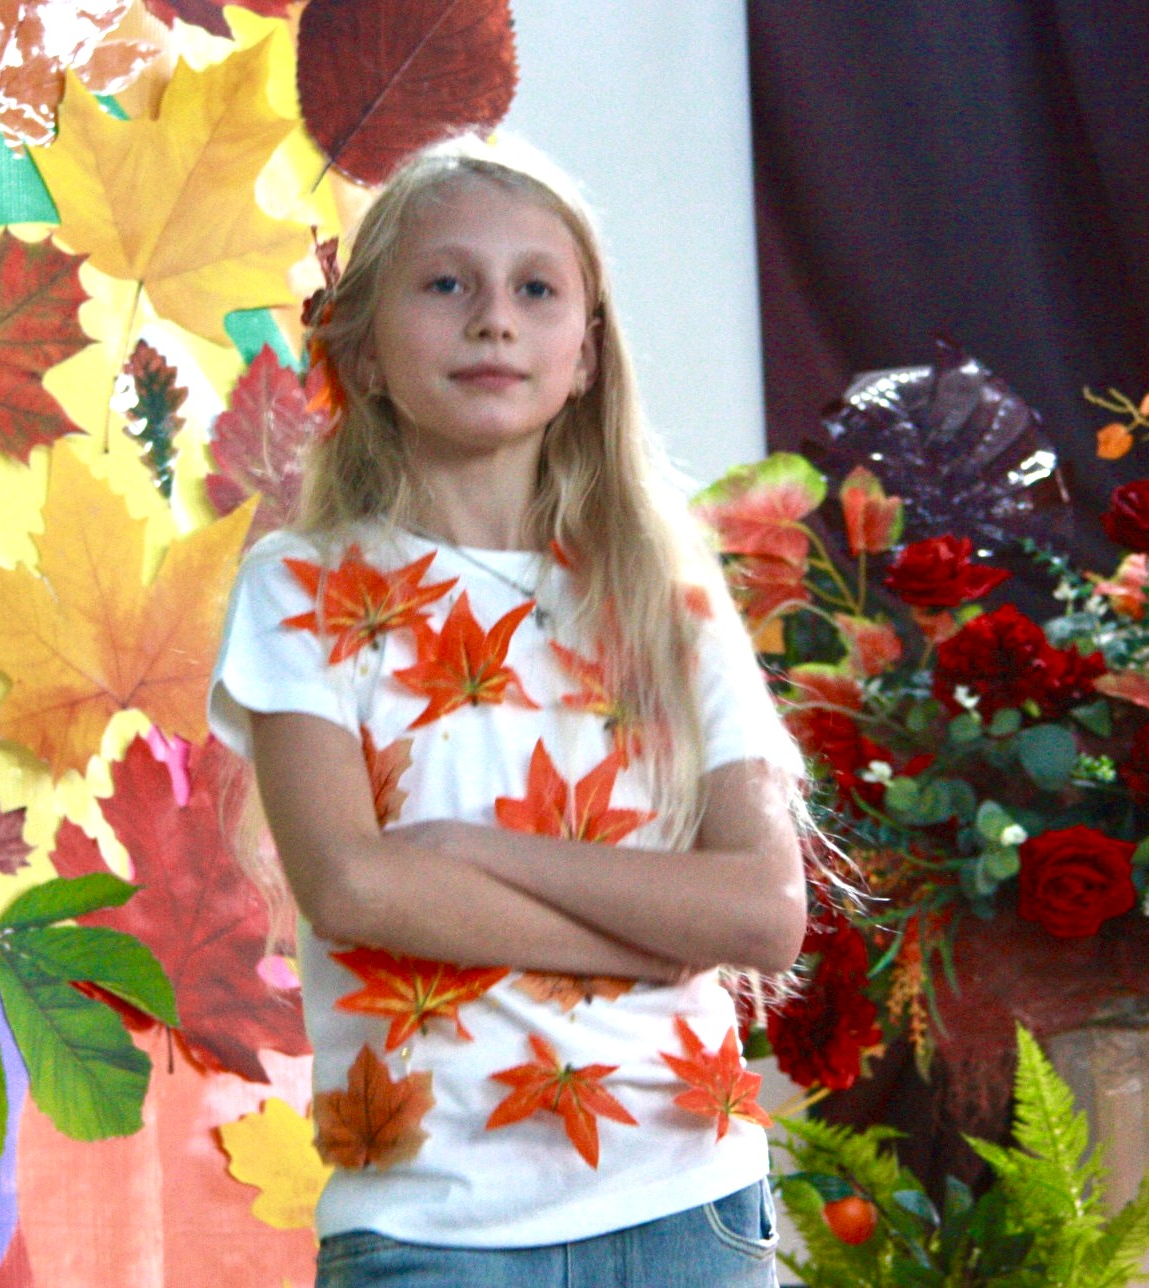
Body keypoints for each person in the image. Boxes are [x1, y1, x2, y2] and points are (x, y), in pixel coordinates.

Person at [208, 134, 809, 1287]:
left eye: (537, 289)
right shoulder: (302, 587)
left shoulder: (672, 600)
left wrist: (467, 853)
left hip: (691, 1207)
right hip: (432, 1226)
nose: (494, 319)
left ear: (585, 354)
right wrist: (663, 938)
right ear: (362, 351)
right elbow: (354, 887)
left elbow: (764, 914)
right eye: (446, 284)